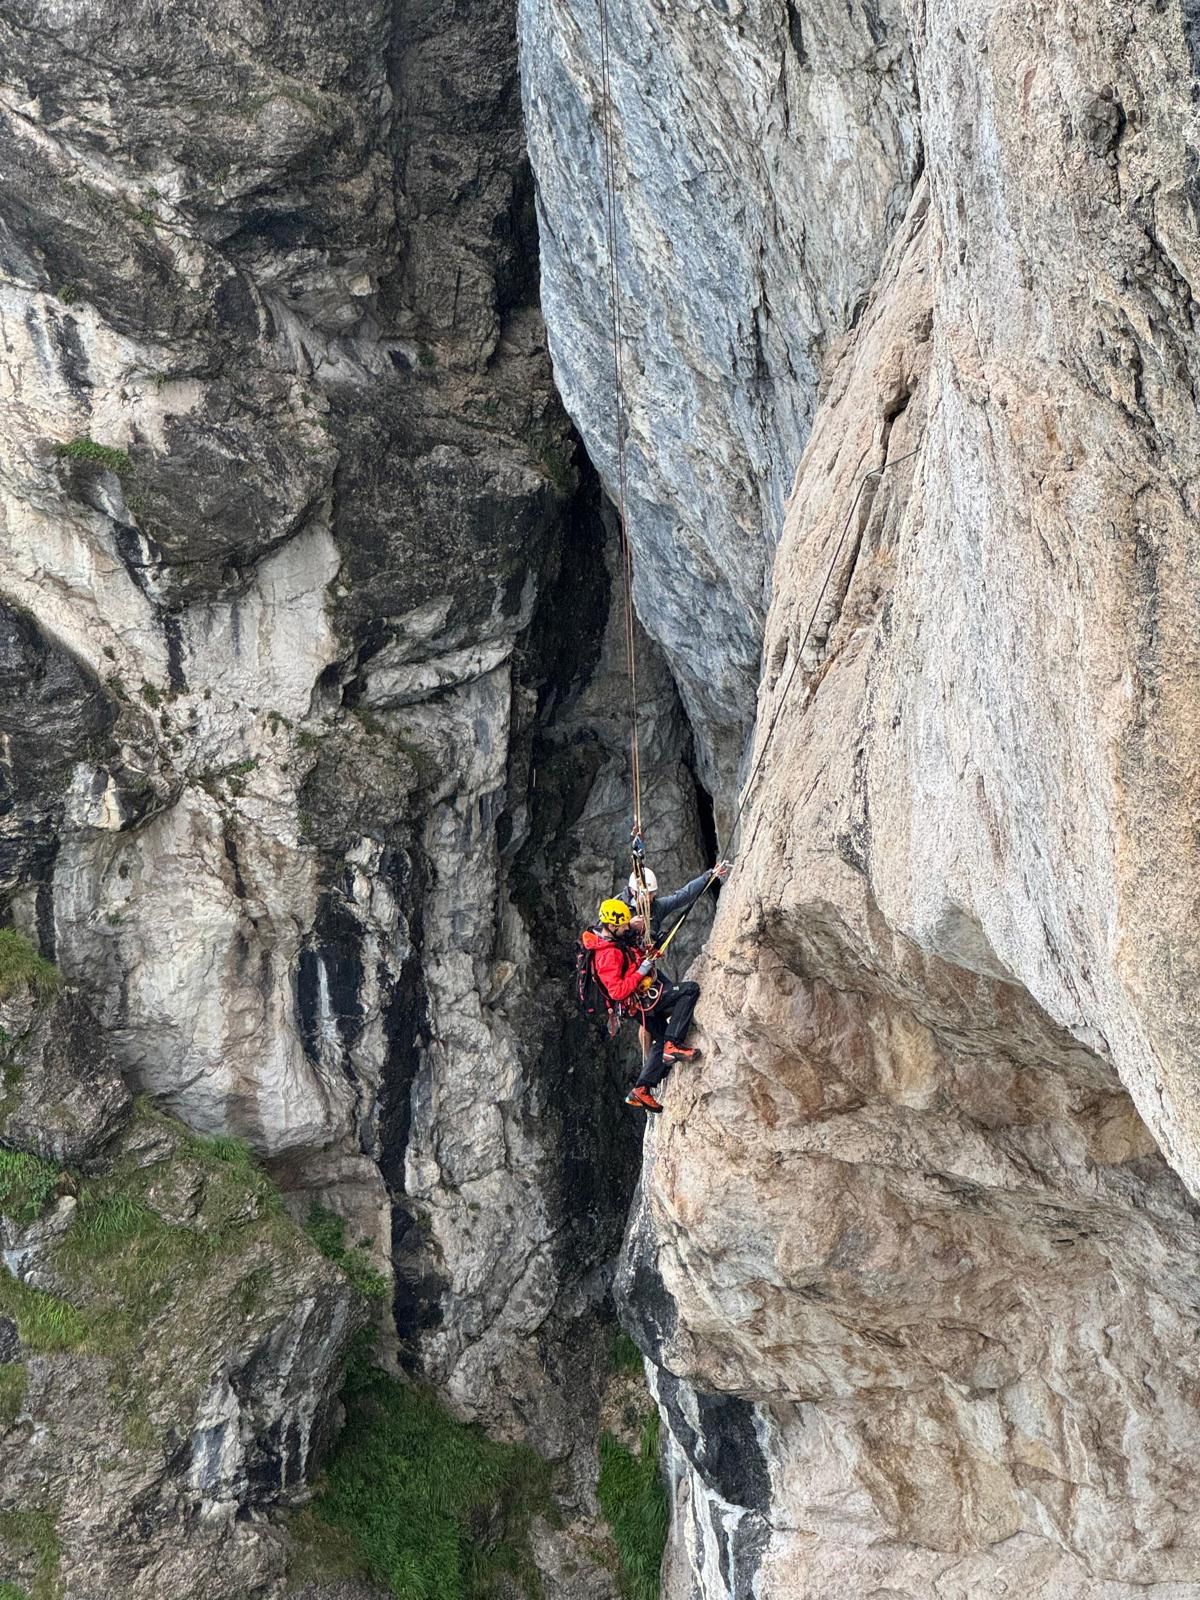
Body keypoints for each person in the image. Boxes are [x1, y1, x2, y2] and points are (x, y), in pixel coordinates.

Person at [590, 896, 704, 1115]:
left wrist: (644, 951)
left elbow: (628, 951)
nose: (626, 928)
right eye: (623, 925)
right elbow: (618, 991)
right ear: (611, 926)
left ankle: (641, 1089)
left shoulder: (610, 939)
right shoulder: (607, 954)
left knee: (660, 1037)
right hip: (640, 1001)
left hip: (638, 1001)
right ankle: (673, 1045)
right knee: (689, 990)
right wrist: (642, 969)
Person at [622, 860, 729, 943]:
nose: (649, 898)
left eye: (651, 893)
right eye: (646, 894)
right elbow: (612, 937)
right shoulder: (618, 907)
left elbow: (683, 895)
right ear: (633, 891)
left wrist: (709, 876)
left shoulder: (657, 907)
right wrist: (629, 926)